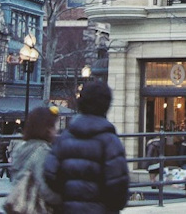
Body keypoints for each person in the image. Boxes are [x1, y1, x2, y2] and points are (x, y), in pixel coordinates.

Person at [44, 80, 129, 214]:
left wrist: (66, 194)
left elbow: (50, 174)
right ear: (106, 105)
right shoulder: (110, 141)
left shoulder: (65, 137)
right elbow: (118, 186)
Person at [6, 106, 61, 213]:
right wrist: (60, 199)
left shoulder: (20, 147)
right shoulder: (42, 151)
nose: (56, 130)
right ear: (47, 129)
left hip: (19, 205)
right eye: (54, 126)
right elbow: (43, 187)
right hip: (36, 207)